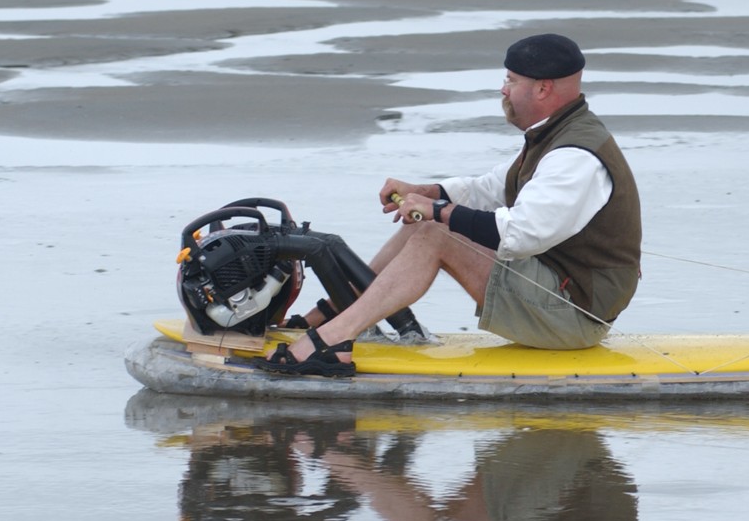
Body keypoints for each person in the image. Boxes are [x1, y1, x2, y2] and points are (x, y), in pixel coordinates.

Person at [255, 33, 642, 376]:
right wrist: (427, 191)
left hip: (575, 318)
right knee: (425, 224)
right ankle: (337, 312)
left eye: (511, 80)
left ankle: (334, 338)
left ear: (542, 90)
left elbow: (521, 236)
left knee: (434, 233)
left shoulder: (575, 155)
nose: (503, 89)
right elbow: (491, 188)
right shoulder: (556, 135)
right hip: (561, 294)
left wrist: (437, 211)